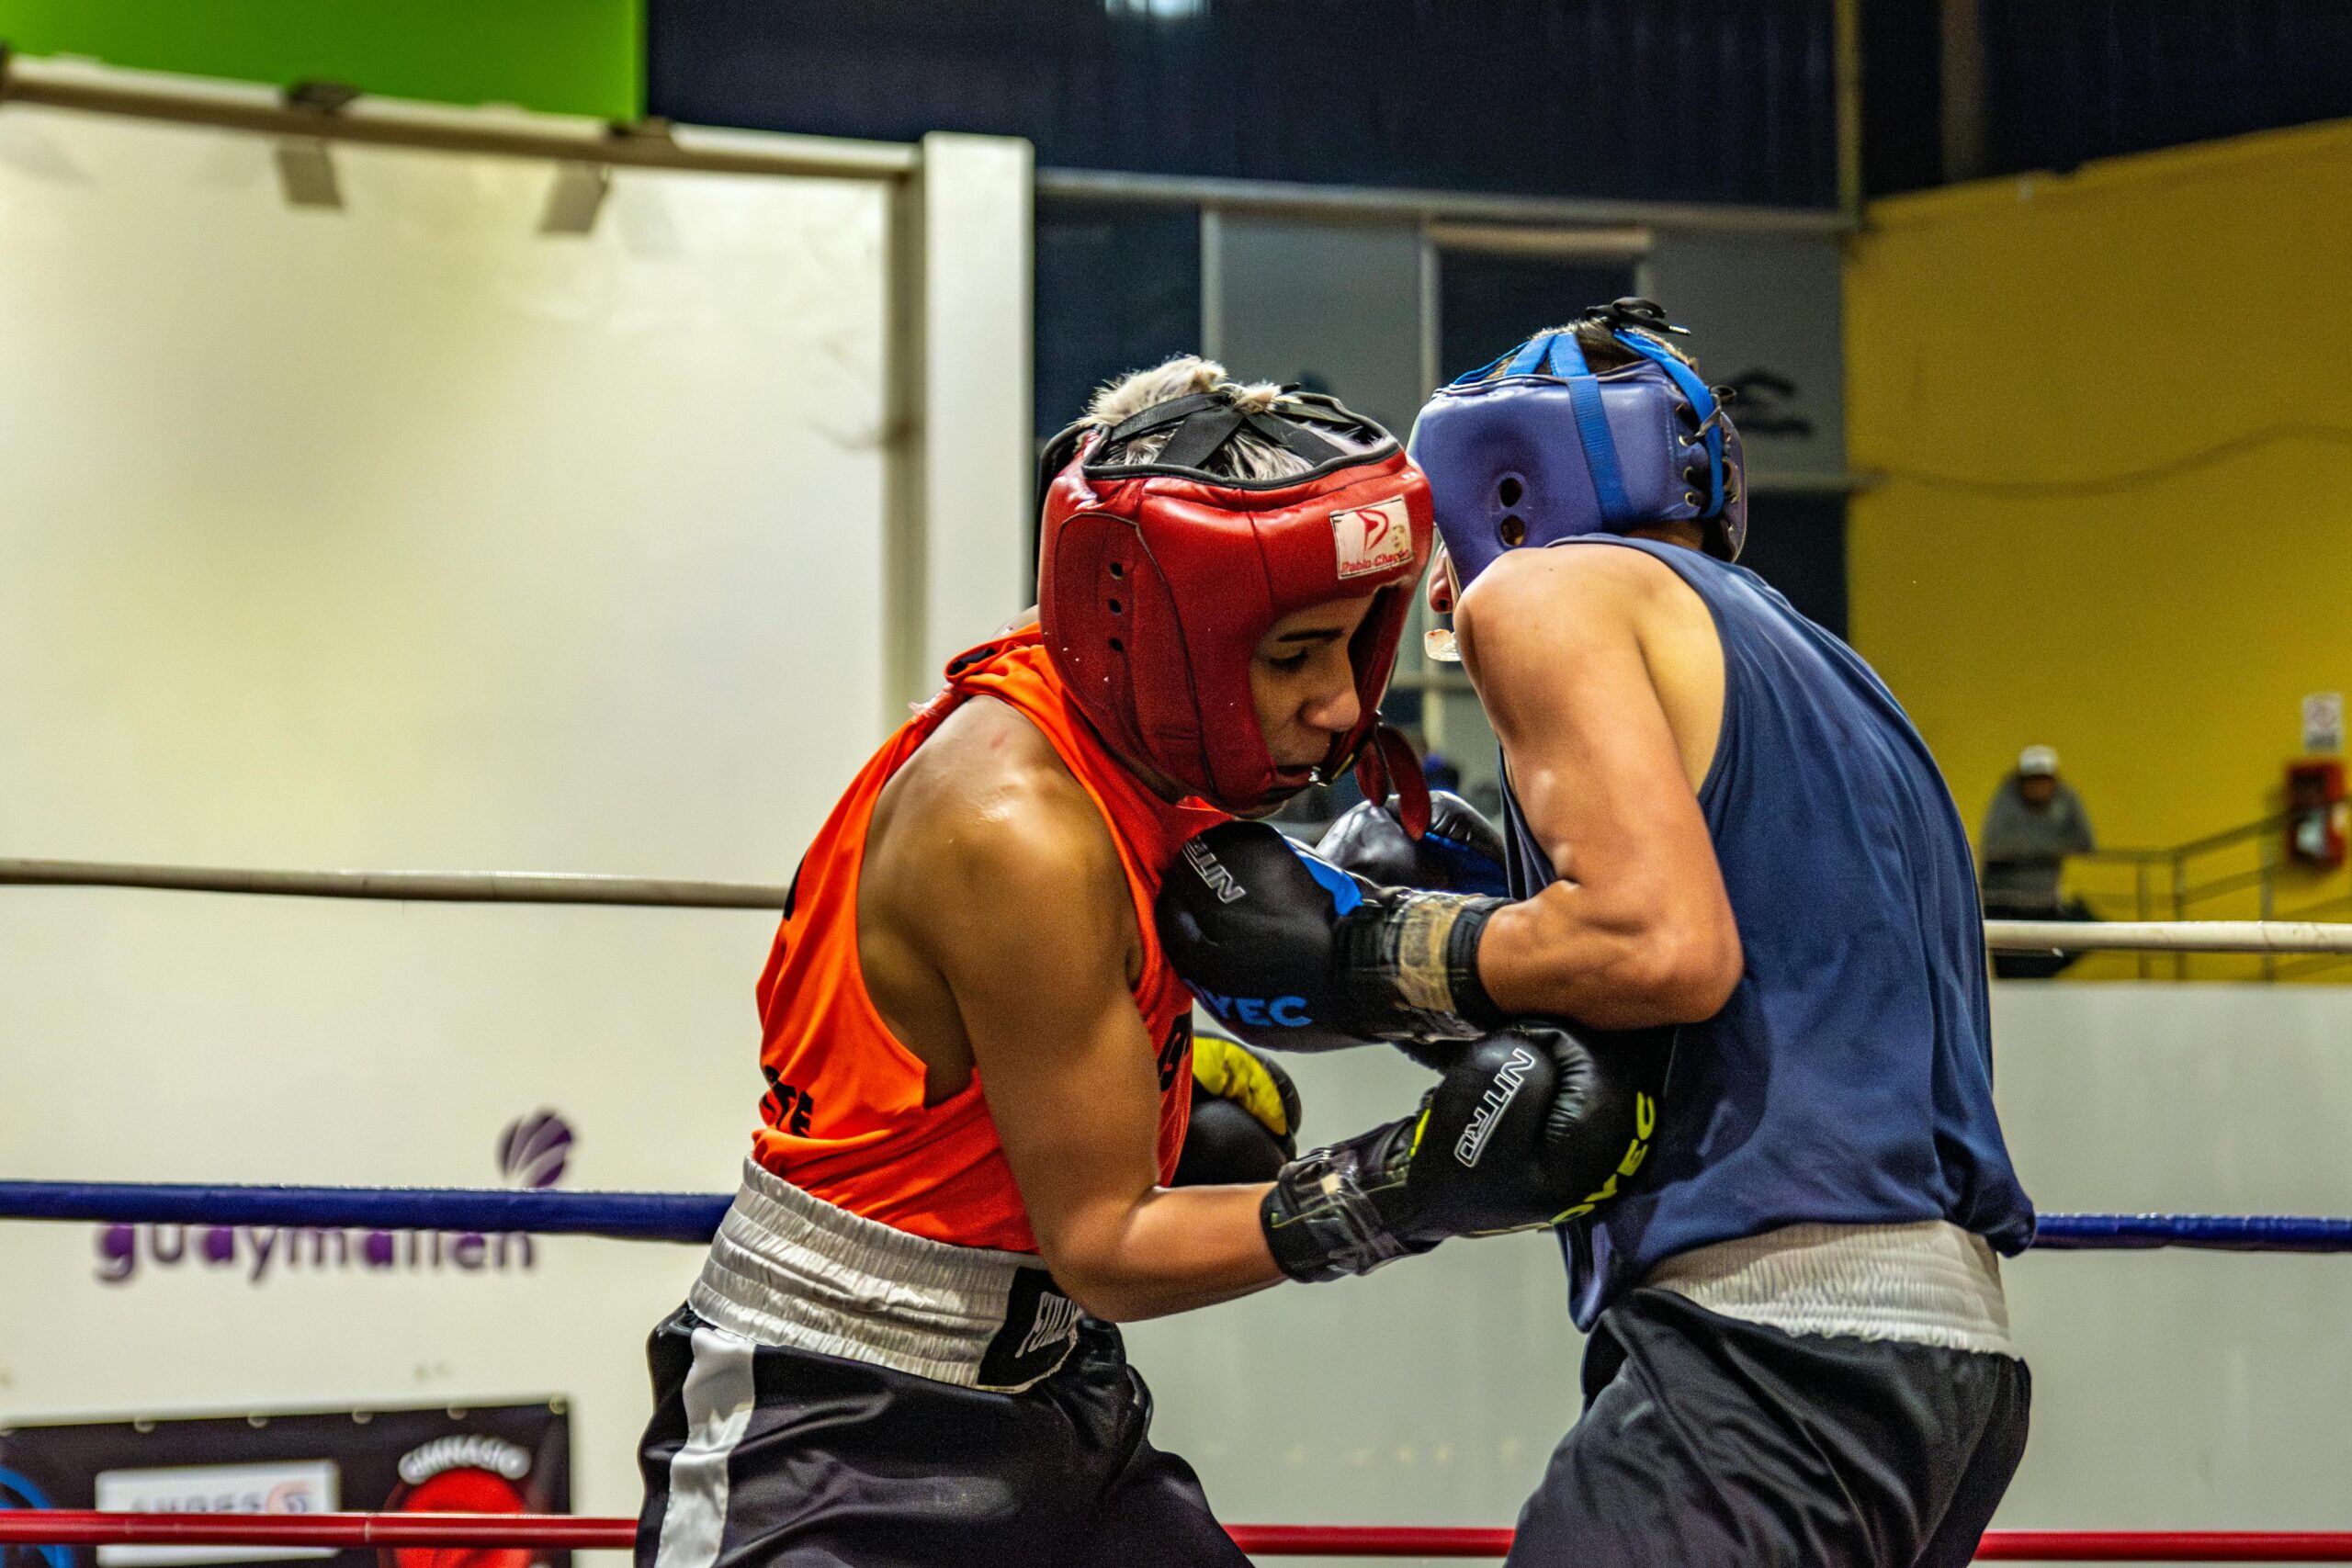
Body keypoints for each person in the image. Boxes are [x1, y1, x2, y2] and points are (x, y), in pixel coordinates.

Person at [633, 358, 1652, 1568]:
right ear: (1164, 645)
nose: (1339, 705)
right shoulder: (1018, 830)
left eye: (1354, 643)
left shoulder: (1123, 718)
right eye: (1293, 657)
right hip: (832, 1425)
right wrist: (1407, 1185)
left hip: (1059, 1399)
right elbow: (1110, 1244)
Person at [1159, 300, 2035, 1567]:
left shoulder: (1544, 595)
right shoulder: (1828, 671)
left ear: (1495, 489)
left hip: (1773, 1344)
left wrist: (1372, 950)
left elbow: (1667, 948)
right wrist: (1497, 934)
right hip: (1947, 1365)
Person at [1980, 745, 2098, 977]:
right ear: (2021, 781)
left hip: (2045, 906)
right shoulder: (2006, 799)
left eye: (2044, 779)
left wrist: (2027, 849)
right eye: (2032, 780)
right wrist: (2049, 848)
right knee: (2015, 976)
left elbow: (2086, 842)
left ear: (2054, 781)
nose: (2039, 787)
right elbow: (1994, 847)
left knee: (2083, 936)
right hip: (2005, 905)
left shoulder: (2066, 799)